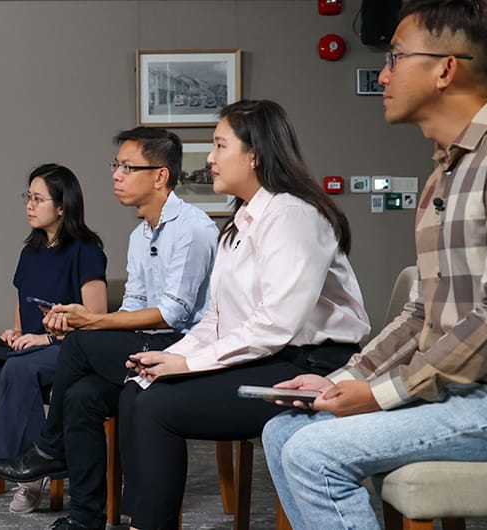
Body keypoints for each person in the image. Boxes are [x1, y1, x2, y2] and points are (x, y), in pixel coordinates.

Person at [261, 1, 487, 528]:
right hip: (469, 392)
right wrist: (344, 379)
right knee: (282, 430)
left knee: (315, 453)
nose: (383, 74)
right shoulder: (446, 171)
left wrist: (381, 394)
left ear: (446, 68)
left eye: (396, 57)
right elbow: (423, 315)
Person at [118, 99, 371, 530]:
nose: (210, 158)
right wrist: (173, 357)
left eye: (219, 145)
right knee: (137, 389)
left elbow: (276, 325)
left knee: (157, 406)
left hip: (315, 365)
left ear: (254, 154)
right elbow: (217, 317)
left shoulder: (293, 215)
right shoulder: (241, 222)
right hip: (273, 356)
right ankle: (141, 520)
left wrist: (188, 365)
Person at [0, 127, 220, 530]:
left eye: (127, 167)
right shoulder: (139, 234)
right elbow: (133, 304)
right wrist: (79, 321)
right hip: (148, 341)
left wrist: (91, 321)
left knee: (79, 345)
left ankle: (49, 446)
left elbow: (172, 314)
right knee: (80, 397)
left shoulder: (192, 230)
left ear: (160, 176)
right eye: (116, 166)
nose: (115, 175)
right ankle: (85, 519)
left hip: (185, 348)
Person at [0, 163, 108, 513]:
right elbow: (23, 306)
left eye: (37, 198)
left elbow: (97, 319)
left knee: (19, 372)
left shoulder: (86, 249)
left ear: (62, 206)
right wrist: (15, 333)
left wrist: (44, 341)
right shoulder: (29, 251)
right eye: (27, 198)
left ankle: (30, 473)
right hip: (32, 347)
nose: (29, 205)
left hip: (71, 349)